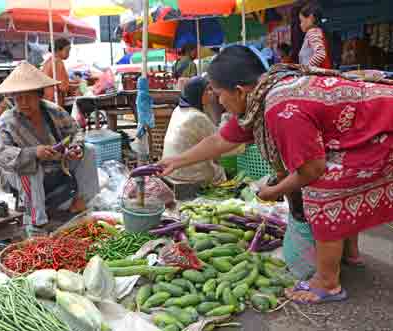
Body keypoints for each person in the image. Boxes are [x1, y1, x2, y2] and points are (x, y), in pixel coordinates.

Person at [159, 45, 393, 304]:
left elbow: (312, 169)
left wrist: (274, 191)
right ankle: (349, 253)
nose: (218, 101)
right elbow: (220, 141)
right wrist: (176, 161)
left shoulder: (279, 107)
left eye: (218, 93)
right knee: (332, 176)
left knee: (324, 186)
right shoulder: (261, 97)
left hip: (383, 130)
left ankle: (328, 282)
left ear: (238, 90)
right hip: (372, 125)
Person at [0, 62, 99, 233]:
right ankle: (37, 222)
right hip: (17, 172)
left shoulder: (53, 110)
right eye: (18, 98)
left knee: (90, 150)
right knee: (30, 167)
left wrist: (75, 147)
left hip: (56, 163)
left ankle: (80, 201)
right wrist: (34, 153)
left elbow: (76, 132)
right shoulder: (7, 121)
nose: (23, 102)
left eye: (28, 97)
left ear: (39, 95)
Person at [162, 77, 225, 184]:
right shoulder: (197, 117)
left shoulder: (178, 110)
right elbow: (218, 148)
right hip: (189, 175)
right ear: (198, 93)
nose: (211, 93)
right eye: (208, 90)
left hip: (171, 170)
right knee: (220, 172)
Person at [42, 38, 79, 107]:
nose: (69, 54)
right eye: (67, 50)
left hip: (47, 100)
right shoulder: (58, 62)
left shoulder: (48, 61)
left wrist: (73, 84)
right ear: (58, 50)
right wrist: (78, 87)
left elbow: (57, 82)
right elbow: (63, 87)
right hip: (54, 101)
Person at [298, 3, 332, 68]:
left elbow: (320, 54)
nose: (300, 24)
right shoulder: (317, 32)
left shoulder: (313, 32)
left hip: (315, 76)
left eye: (301, 21)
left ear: (311, 18)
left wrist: (307, 69)